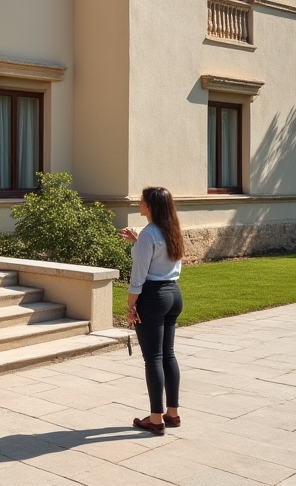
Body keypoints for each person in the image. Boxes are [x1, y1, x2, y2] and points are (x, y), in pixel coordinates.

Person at [119, 186, 185, 435]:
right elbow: (162, 260)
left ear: (151, 206)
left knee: (153, 358)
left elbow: (139, 277)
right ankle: (172, 413)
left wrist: (130, 306)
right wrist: (138, 242)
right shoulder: (171, 231)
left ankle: (156, 419)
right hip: (173, 294)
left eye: (142, 200)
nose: (139, 201)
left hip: (153, 297)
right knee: (168, 354)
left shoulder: (149, 234)